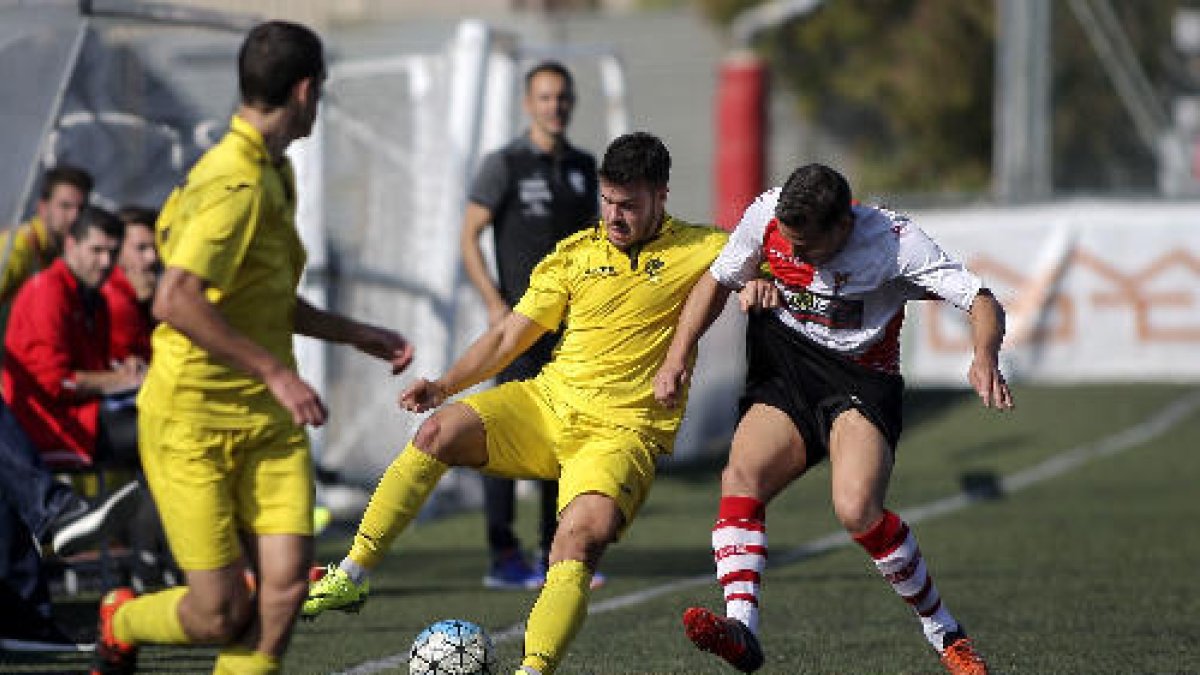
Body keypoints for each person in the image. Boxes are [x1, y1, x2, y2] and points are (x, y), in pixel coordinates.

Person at [302, 132, 729, 675]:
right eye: (607, 200)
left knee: (575, 542)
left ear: (661, 197)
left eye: (629, 205)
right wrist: (444, 384)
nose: (614, 216)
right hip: (548, 404)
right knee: (438, 432)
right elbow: (507, 339)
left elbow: (771, 252)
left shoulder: (703, 247)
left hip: (621, 433)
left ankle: (533, 670)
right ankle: (352, 576)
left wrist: (755, 285)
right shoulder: (575, 256)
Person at [88, 21, 414, 675]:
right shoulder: (233, 184)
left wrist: (356, 333)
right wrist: (276, 371)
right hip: (194, 422)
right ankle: (120, 618)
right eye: (320, 91)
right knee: (221, 613)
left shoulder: (269, 170)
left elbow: (256, 298)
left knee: (287, 585)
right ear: (303, 91)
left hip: (265, 424)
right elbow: (175, 300)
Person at [654, 164, 1013, 675]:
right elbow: (717, 282)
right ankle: (742, 630)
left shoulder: (894, 242)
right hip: (787, 367)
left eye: (807, 248)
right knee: (741, 477)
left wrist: (984, 356)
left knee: (856, 509)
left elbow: (981, 300)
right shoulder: (768, 217)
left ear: (843, 226)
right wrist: (678, 356)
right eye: (788, 245)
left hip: (859, 381)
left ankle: (945, 633)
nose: (793, 256)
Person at [459, 60, 598, 589]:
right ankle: (502, 555)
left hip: (569, 331)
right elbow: (468, 236)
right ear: (527, 104)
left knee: (563, 437)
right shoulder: (506, 164)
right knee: (501, 433)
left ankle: (552, 549)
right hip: (518, 330)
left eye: (562, 97)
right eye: (544, 98)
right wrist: (496, 305)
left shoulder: (585, 166)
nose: (554, 106)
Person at [3, 205, 145, 465]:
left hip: (85, 417)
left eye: (113, 253)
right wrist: (122, 379)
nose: (105, 263)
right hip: (54, 428)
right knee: (160, 433)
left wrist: (122, 369)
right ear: (70, 245)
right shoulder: (47, 292)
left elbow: (90, 369)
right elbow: (55, 381)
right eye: (96, 250)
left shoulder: (93, 297)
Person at [0, 164, 92, 305]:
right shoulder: (18, 247)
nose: (75, 217)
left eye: (81, 209)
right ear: (42, 208)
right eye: (65, 206)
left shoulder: (56, 254)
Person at [102, 206, 159, 366]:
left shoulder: (138, 291)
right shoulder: (115, 302)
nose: (152, 257)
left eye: (155, 248)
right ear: (116, 249)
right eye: (141, 248)